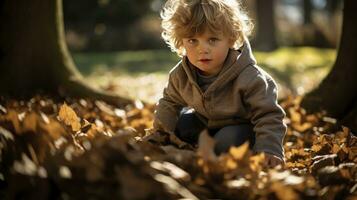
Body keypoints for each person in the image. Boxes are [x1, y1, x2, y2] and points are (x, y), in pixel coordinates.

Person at [153, 0, 286, 167]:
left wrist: (270, 149)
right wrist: (157, 137)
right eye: (193, 41)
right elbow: (169, 104)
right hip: (205, 123)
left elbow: (268, 115)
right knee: (181, 124)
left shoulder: (251, 77)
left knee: (227, 141)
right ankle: (195, 152)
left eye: (212, 40)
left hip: (240, 127)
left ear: (231, 39)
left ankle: (214, 154)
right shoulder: (180, 74)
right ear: (181, 41)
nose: (203, 49)